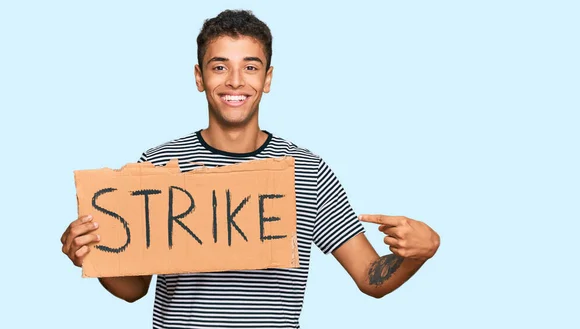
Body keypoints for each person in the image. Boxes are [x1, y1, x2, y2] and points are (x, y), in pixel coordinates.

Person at [60, 9, 440, 328]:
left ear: (268, 79)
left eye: (251, 67)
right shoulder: (159, 166)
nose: (236, 81)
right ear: (199, 77)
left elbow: (370, 276)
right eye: (220, 66)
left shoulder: (306, 171)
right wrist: (96, 256)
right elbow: (135, 289)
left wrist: (417, 254)